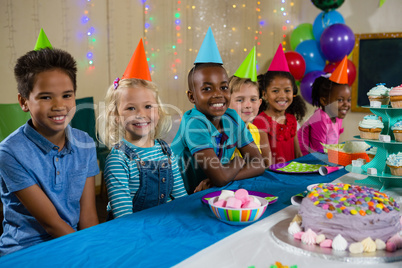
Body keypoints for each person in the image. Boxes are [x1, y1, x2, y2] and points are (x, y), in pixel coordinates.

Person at [0, 30, 99, 256]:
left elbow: (88, 216)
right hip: (26, 250)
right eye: (46, 97)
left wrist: (94, 249)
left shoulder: (84, 142)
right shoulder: (9, 152)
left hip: (73, 241)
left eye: (67, 95)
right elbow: (51, 223)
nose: (59, 105)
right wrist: (88, 252)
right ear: (24, 101)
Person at [98, 39, 187, 219]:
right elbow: (124, 217)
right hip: (133, 231)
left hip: (164, 223)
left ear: (159, 111)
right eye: (131, 108)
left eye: (148, 106)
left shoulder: (165, 150)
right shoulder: (118, 160)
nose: (140, 114)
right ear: (116, 115)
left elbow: (180, 199)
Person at [171, 28, 264, 194]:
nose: (218, 95)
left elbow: (259, 164)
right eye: (207, 89)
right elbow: (220, 178)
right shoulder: (194, 124)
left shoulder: (232, 117)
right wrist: (238, 161)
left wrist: (224, 176)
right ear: (192, 97)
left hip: (211, 191)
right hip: (181, 199)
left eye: (224, 87)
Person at [253, 44, 306, 165]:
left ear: (293, 93)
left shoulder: (291, 119)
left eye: (287, 90)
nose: (282, 96)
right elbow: (268, 163)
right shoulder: (260, 121)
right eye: (275, 91)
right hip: (274, 179)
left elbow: (298, 155)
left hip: (291, 177)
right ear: (265, 94)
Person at [228, 47, 271, 167]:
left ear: (260, 103)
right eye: (240, 100)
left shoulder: (254, 130)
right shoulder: (225, 132)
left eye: (253, 99)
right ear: (226, 103)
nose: (248, 105)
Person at [298, 57, 351, 155]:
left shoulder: (338, 118)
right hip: (306, 162)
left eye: (348, 100)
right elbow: (319, 153)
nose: (346, 104)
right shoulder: (320, 119)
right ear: (324, 101)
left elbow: (332, 146)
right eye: (340, 100)